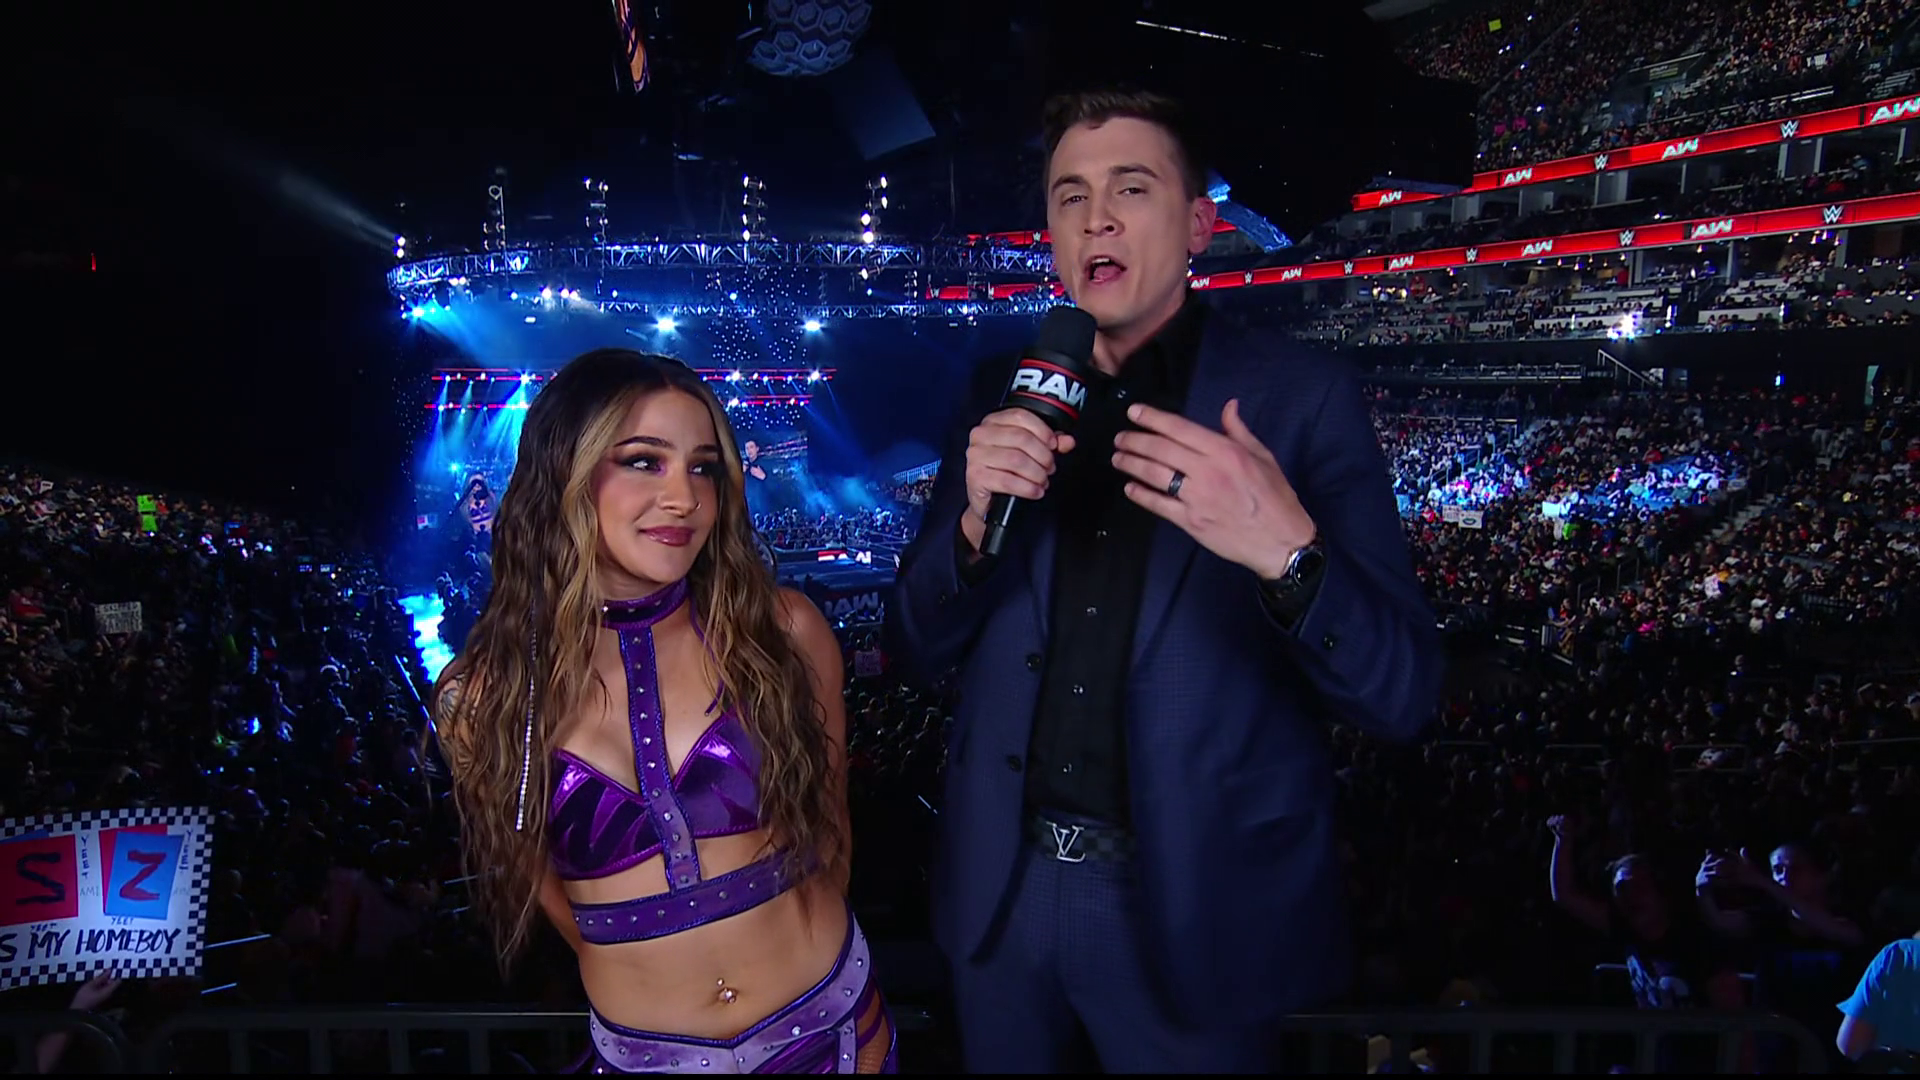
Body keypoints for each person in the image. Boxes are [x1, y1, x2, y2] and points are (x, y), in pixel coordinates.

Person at [884, 89, 1441, 1071]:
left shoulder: (1300, 400)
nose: (1095, 218)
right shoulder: (1002, 392)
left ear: (1198, 224)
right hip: (1001, 900)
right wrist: (971, 531)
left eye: (1130, 189)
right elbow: (912, 649)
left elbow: (1402, 696)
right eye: (1070, 196)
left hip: (1194, 912)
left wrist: (1287, 553)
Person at [431, 349, 895, 1074]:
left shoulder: (785, 633)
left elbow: (830, 830)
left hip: (834, 1035)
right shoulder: (483, 696)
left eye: (703, 468)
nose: (684, 497)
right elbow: (544, 890)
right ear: (566, 471)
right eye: (644, 461)